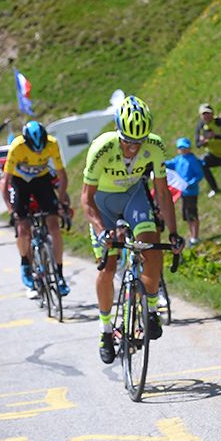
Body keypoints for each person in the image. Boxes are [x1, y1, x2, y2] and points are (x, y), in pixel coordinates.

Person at [82, 96, 184, 364]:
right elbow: (86, 198)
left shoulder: (155, 146)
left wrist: (173, 233)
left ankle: (151, 309)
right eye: (128, 142)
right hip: (102, 201)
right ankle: (105, 331)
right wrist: (102, 230)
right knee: (108, 268)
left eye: (138, 143)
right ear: (119, 132)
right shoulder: (102, 148)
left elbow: (162, 193)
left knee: (152, 246)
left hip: (133, 197)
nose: (132, 148)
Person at [0, 120, 73, 297]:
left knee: (54, 226)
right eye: (35, 148)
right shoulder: (17, 146)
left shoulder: (52, 144)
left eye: (41, 148)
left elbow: (62, 176)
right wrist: (10, 209)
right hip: (20, 183)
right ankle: (25, 263)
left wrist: (61, 202)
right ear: (26, 141)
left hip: (41, 181)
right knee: (23, 228)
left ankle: (59, 273)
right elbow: (5, 181)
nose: (39, 151)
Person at [165, 137, 204, 246]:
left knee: (192, 214)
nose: (183, 150)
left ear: (189, 148)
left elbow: (199, 175)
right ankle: (192, 236)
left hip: (191, 192)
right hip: (183, 192)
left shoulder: (193, 160)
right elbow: (171, 164)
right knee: (187, 215)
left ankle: (195, 237)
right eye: (181, 148)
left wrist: (190, 183)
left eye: (185, 148)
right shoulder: (178, 159)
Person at [194, 104, 221, 197]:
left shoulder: (220, 122)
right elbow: (197, 144)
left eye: (208, 113)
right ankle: (214, 188)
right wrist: (203, 142)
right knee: (201, 162)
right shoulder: (200, 126)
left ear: (212, 113)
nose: (206, 116)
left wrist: (214, 137)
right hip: (214, 155)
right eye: (204, 114)